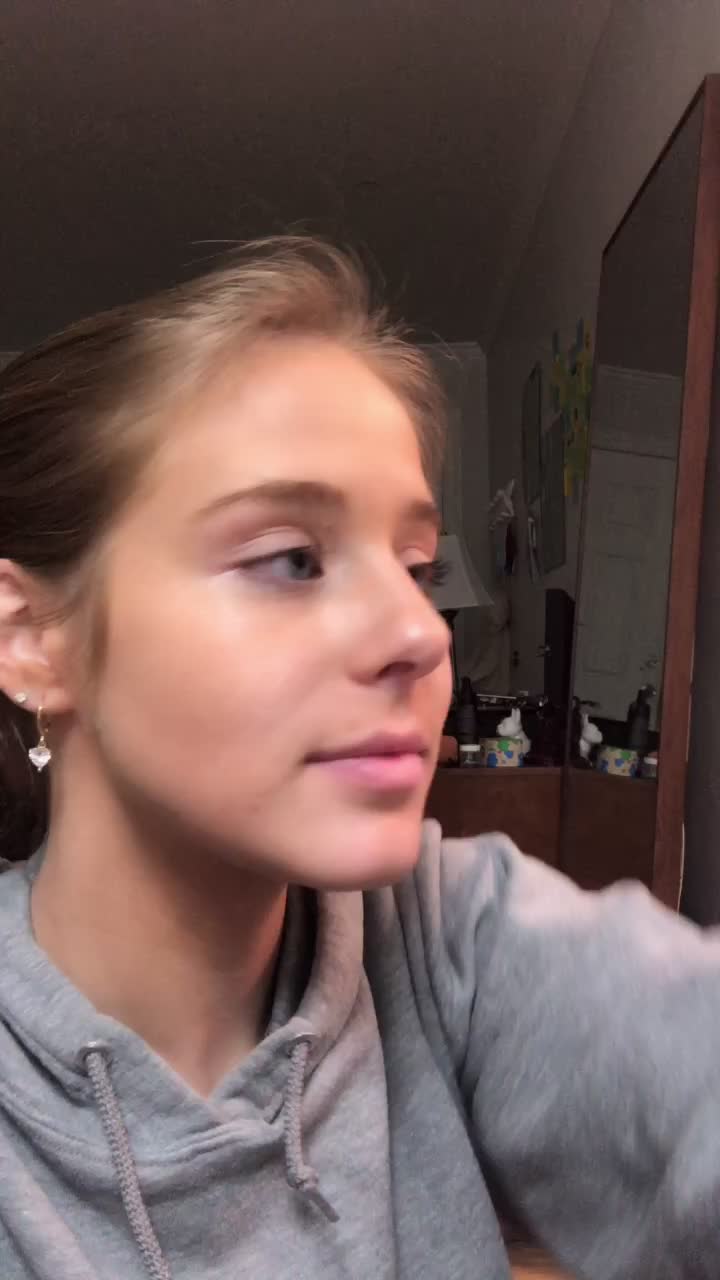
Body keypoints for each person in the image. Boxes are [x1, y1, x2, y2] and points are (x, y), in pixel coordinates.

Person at [0, 238, 717, 1280]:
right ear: (30, 637)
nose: (423, 635)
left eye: (414, 567)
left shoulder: (445, 941)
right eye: (291, 559)